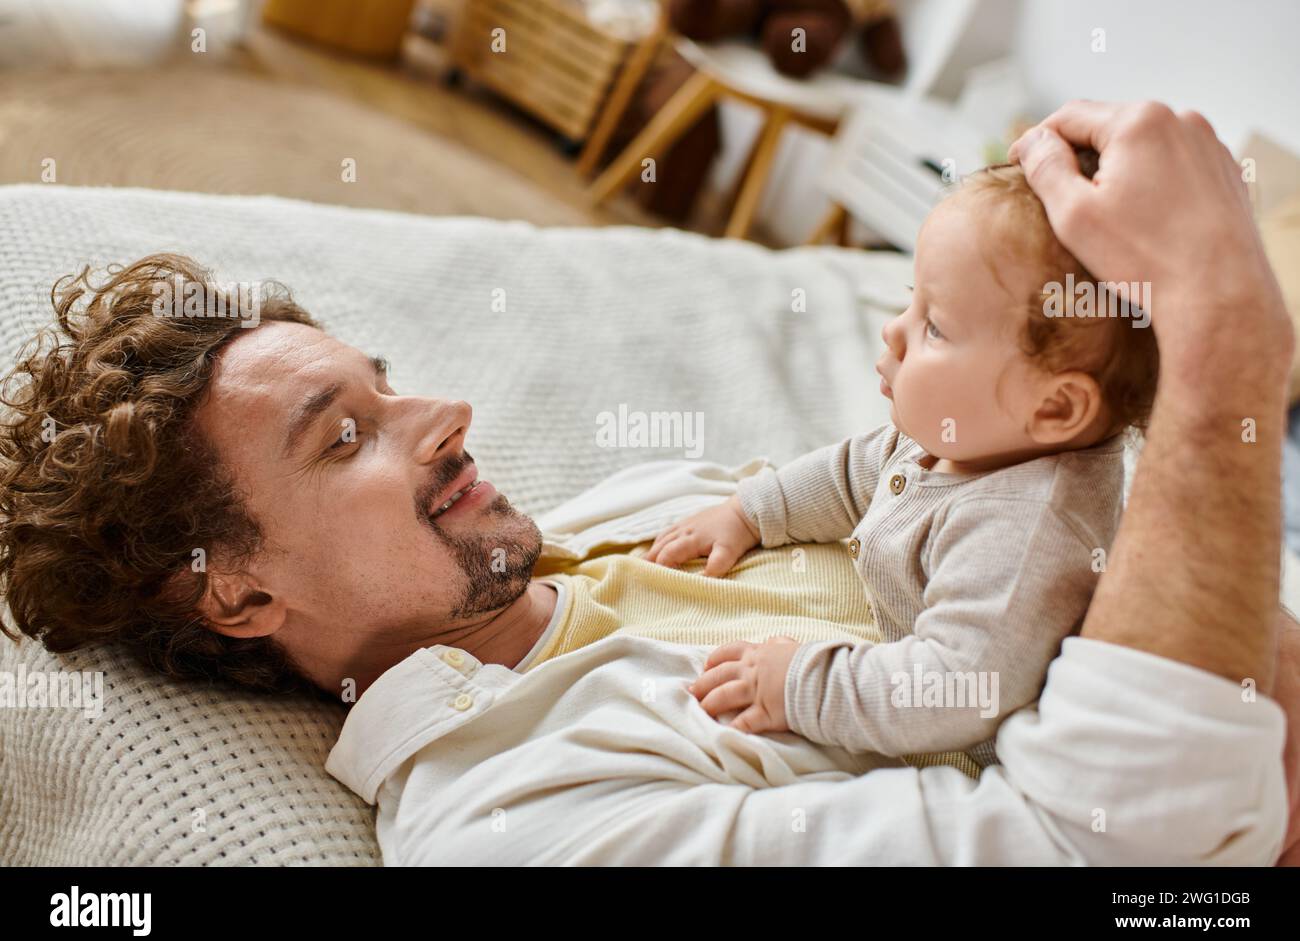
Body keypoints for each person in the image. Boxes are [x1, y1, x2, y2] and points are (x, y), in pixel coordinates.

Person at [0, 101, 1294, 864]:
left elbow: (894, 483)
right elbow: (1104, 855)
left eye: (386, 386)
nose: (447, 416)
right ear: (237, 595)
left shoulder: (618, 523)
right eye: (344, 438)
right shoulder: (518, 819)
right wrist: (1224, 354)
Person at [645, 159, 1158, 770]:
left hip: (956, 756)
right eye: (912, 302)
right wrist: (752, 511)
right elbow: (852, 472)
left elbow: (951, 689)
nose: (893, 331)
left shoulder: (1027, 535)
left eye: (934, 328)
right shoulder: (970, 437)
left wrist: (798, 686)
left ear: (1054, 407)